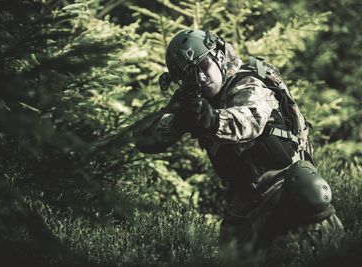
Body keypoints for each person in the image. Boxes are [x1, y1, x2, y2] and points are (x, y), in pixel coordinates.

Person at [133, 29, 343, 265]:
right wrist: (177, 116)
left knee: (311, 212)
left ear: (219, 56)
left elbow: (248, 120)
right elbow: (145, 139)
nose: (201, 78)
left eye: (204, 66)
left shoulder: (249, 82)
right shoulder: (197, 98)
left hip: (285, 187)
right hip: (245, 199)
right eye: (190, 74)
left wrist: (211, 120)